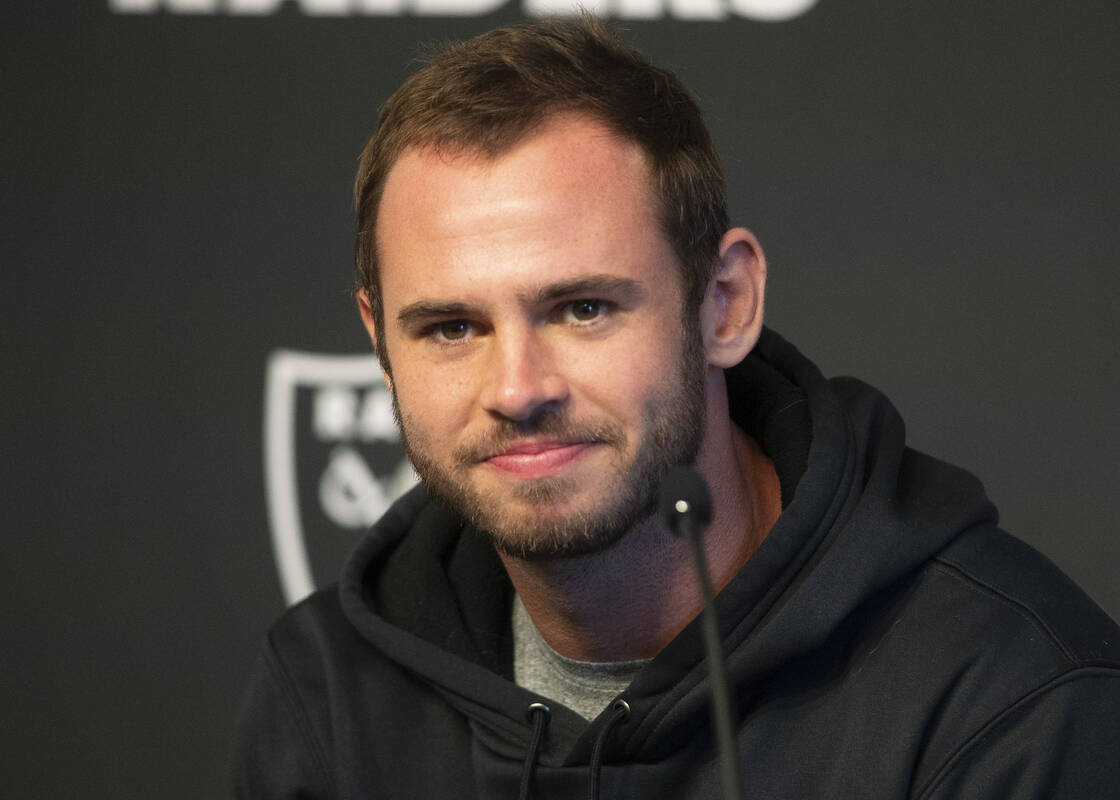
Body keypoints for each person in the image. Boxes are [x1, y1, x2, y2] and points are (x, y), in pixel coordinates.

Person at [232, 16, 1120, 799]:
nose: (516, 389)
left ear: (724, 303)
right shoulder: (331, 699)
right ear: (380, 341)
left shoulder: (1010, 700)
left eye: (583, 309)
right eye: (452, 328)